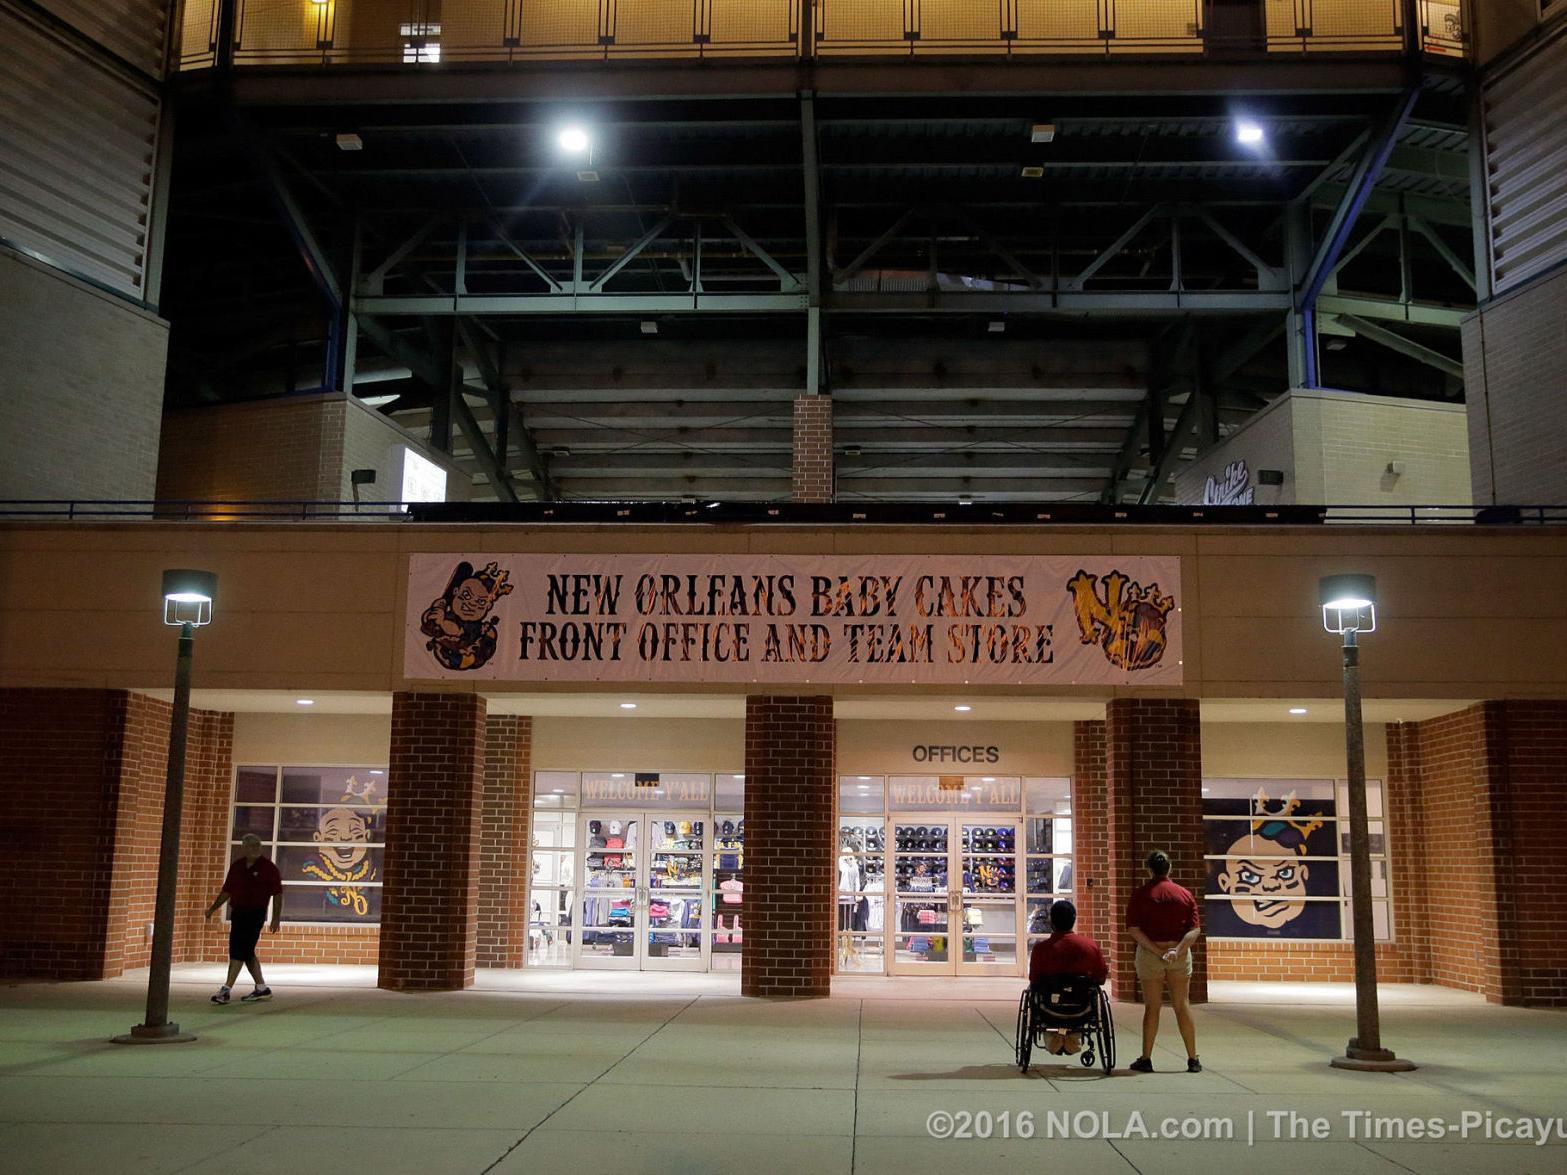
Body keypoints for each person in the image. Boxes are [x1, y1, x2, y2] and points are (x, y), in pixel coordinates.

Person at [1125, 849, 1201, 1073]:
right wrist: (1176, 950)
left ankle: (1146, 1058)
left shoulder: (1141, 894)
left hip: (1151, 955)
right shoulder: (1184, 894)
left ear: (1149, 869)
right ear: (1170, 868)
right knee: (1182, 1005)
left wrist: (1156, 951)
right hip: (1178, 955)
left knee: (1152, 1006)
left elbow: (1134, 929)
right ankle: (1192, 1059)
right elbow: (1194, 929)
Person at [204, 833, 282, 1004]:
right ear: (244, 848)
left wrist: (276, 918)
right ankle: (261, 988)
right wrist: (212, 909)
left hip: (255, 914)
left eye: (256, 846)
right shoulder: (237, 867)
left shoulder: (269, 868)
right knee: (244, 952)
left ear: (260, 848)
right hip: (238, 913)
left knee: (241, 951)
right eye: (250, 846)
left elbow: (277, 894)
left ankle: (225, 990)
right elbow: (227, 891)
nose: (253, 849)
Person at [1027, 899, 1108, 1055]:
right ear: (1074, 919)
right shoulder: (1090, 946)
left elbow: (1034, 981)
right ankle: (1070, 1041)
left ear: (1051, 921)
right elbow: (1101, 978)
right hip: (1083, 1009)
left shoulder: (1041, 949)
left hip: (1049, 1010)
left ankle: (1056, 1041)